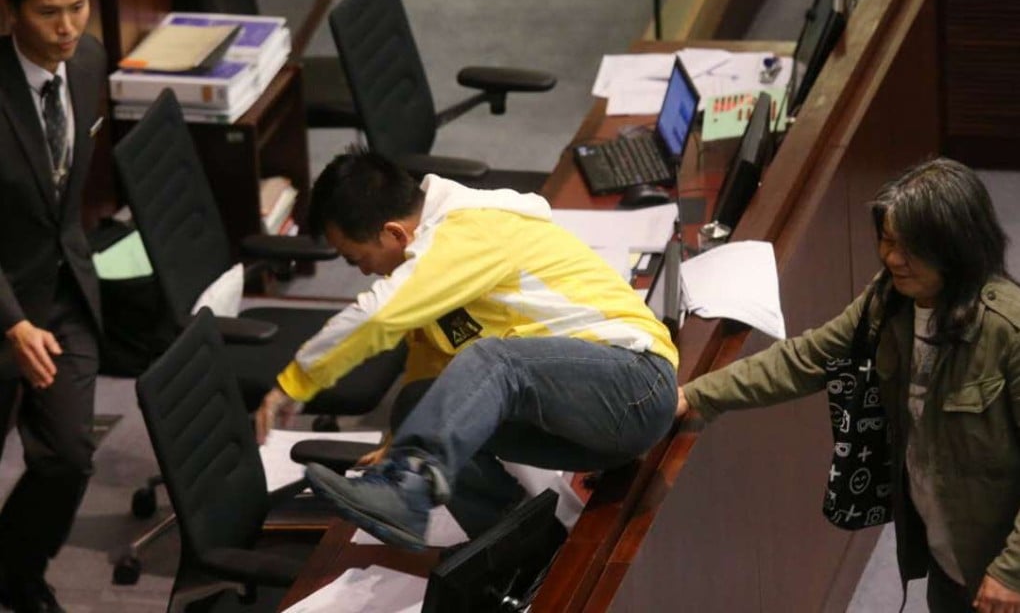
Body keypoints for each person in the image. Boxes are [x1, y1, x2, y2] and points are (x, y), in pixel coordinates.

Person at [256, 150, 678, 548]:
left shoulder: (468, 230)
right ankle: (524, 544)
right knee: (417, 402)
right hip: (587, 423)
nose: (365, 272)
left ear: (394, 233)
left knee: (496, 361)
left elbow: (379, 316)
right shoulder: (435, 262)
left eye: (358, 259)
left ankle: (409, 492)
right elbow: (433, 365)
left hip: (635, 386)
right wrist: (401, 442)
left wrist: (293, 384)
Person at [676, 158, 1020, 613]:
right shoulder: (890, 300)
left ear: (953, 246)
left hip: (1001, 564)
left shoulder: (1007, 331)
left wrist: (1011, 570)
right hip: (949, 555)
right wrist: (695, 394)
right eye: (887, 240)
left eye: (909, 247)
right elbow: (807, 357)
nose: (892, 258)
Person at [0, 0, 106, 611]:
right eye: (49, 13)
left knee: (68, 456)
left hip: (64, 297)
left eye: (78, 8)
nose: (68, 28)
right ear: (10, 13)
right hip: (4, 304)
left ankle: (13, 573)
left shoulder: (90, 62)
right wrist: (12, 321)